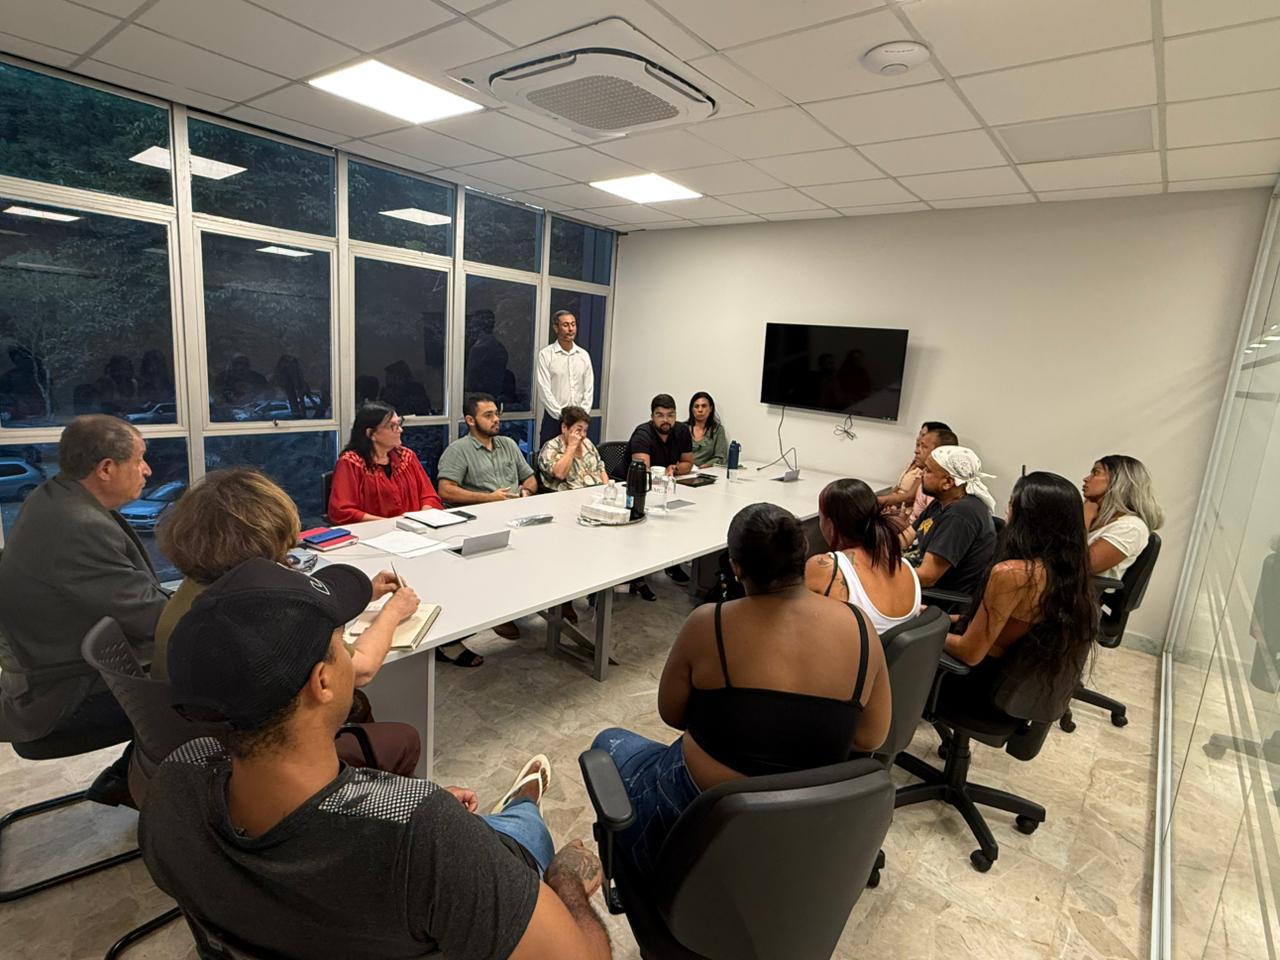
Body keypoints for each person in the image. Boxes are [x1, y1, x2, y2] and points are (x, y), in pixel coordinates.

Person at [140, 558, 612, 960]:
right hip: (449, 863)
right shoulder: (422, 832)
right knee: (525, 830)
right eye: (342, 641)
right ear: (323, 682)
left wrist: (402, 815)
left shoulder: (175, 783)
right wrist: (565, 883)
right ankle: (524, 809)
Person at [592, 503, 890, 879]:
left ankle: (637, 870)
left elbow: (672, 714)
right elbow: (871, 737)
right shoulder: (860, 627)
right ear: (804, 553)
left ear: (736, 566)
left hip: (699, 812)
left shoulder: (710, 623)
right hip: (805, 819)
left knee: (609, 742)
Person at [152, 468, 423, 774]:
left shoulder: (192, 591)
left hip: (199, 743)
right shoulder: (262, 613)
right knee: (400, 737)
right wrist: (394, 612)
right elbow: (361, 669)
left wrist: (363, 593)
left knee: (361, 707)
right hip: (252, 762)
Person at [0, 414, 169, 805]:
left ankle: (130, 775)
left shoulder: (53, 496)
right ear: (106, 468)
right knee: (215, 685)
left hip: (51, 665)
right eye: (139, 459)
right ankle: (154, 791)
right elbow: (153, 619)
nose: (147, 469)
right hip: (60, 694)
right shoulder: (79, 527)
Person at [940, 472, 1096, 716]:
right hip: (1015, 688)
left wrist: (926, 633)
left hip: (975, 688)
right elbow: (1007, 625)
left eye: (1012, 503)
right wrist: (936, 617)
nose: (1007, 510)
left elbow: (969, 652)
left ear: (1030, 518)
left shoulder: (1014, 574)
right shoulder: (1069, 571)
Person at [437, 393, 536, 640]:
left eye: (496, 414)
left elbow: (530, 478)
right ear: (470, 420)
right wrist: (489, 498)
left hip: (517, 513)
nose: (496, 420)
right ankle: (500, 612)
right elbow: (446, 490)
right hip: (480, 518)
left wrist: (525, 491)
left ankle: (554, 601)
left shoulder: (508, 444)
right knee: (497, 558)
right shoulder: (459, 450)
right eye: (488, 415)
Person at [807, 478, 921, 636]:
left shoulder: (826, 568)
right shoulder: (904, 566)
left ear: (831, 525)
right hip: (888, 651)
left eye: (821, 518)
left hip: (851, 652)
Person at [901, 445, 998, 598]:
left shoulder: (961, 514)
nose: (921, 474)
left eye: (928, 471)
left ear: (948, 482)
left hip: (933, 599)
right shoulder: (941, 501)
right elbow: (906, 537)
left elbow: (927, 577)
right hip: (911, 577)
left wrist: (880, 574)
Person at [328, 402, 444, 523]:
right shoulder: (351, 463)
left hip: (413, 528)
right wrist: (389, 524)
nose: (400, 430)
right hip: (372, 531)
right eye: (392, 426)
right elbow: (342, 510)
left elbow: (429, 496)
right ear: (371, 433)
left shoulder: (407, 457)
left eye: (399, 424)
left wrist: (421, 518)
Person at [627, 394, 695, 596]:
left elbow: (688, 463)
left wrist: (675, 468)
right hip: (633, 489)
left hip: (665, 488)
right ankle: (636, 575)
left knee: (679, 521)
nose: (666, 420)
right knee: (643, 530)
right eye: (660, 415)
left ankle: (671, 563)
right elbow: (643, 471)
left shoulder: (682, 431)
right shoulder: (642, 434)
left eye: (670, 415)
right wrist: (663, 476)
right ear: (652, 416)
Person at [1082, 455, 1164, 579]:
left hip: (1080, 589)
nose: (1086, 479)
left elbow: (1079, 567)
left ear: (1118, 481)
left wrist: (1085, 515)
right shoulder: (1097, 517)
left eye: (1096, 473)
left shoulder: (1131, 527)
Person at [536, 310, 594, 448]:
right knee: (550, 459)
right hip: (554, 420)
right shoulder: (546, 355)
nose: (571, 329)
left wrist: (581, 416)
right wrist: (563, 417)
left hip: (579, 422)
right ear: (556, 328)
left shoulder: (583, 355)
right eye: (566, 325)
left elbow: (589, 388)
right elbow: (544, 390)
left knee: (580, 458)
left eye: (573, 324)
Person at [879, 420, 952, 513]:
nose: (919, 438)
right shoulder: (918, 463)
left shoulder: (931, 482)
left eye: (924, 435)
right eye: (920, 434)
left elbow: (910, 498)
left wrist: (879, 500)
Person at [537, 405, 608, 493]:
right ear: (564, 427)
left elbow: (601, 469)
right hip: (568, 495)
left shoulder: (587, 443)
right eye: (578, 430)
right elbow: (559, 474)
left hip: (595, 493)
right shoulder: (552, 446)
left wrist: (606, 490)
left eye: (585, 431)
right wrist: (571, 446)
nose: (583, 435)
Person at [687, 391, 728, 467]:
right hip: (683, 471)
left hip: (706, 471)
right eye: (696, 406)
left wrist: (704, 466)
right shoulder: (682, 429)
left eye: (704, 406)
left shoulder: (717, 430)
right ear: (692, 409)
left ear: (710, 408)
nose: (700, 410)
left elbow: (720, 457)